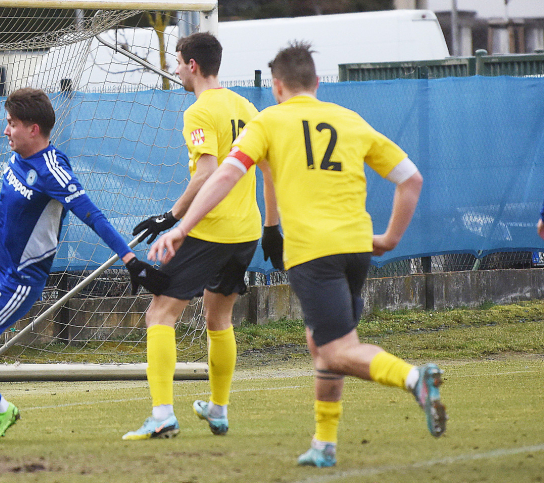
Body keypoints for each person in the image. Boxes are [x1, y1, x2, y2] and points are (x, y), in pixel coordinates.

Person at [149, 41, 445, 467]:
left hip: (314, 252)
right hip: (357, 249)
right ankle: (324, 444)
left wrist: (181, 226)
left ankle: (415, 378)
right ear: (318, 83)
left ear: (277, 86)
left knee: (336, 349)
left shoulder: (269, 122)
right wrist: (391, 239)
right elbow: (411, 179)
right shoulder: (349, 120)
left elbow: (221, 177)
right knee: (322, 343)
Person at [0, 87, 170, 440]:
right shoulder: (16, 155)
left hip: (15, 281)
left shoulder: (52, 170)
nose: (5, 130)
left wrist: (130, 259)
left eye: (11, 124)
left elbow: (92, 215)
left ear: (33, 129)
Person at [122, 32, 280, 441]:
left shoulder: (199, 112)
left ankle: (161, 414)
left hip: (209, 230)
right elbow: (268, 170)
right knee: (218, 317)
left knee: (160, 314)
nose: (175, 70)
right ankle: (218, 409)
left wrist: (172, 217)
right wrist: (270, 228)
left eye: (177, 62)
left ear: (192, 64)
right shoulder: (247, 106)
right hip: (245, 232)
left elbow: (207, 172)